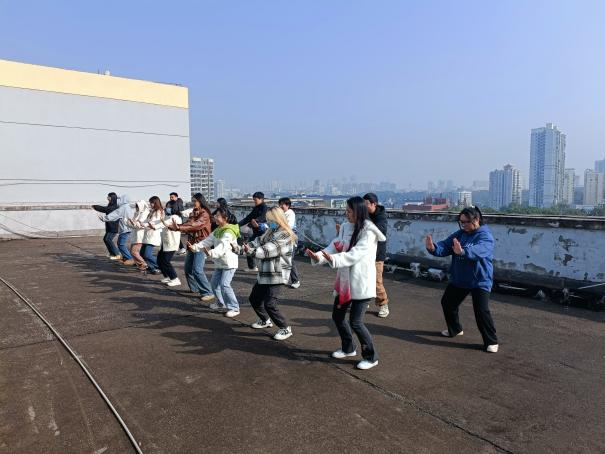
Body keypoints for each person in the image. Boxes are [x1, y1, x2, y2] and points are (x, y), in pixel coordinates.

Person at [307, 196, 385, 370]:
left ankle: (371, 357)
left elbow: (356, 254)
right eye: (346, 211)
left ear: (358, 212)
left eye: (349, 211)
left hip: (361, 283)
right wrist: (318, 256)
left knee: (356, 322)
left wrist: (333, 259)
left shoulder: (368, 231)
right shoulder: (345, 227)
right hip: (344, 281)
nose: (346, 214)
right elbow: (334, 246)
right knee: (338, 317)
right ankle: (348, 348)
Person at [425, 206, 499, 353]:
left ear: (476, 220)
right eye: (461, 222)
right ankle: (455, 329)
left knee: (481, 310)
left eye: (466, 222)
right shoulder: (460, 234)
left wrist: (464, 251)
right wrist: (433, 248)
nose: (463, 225)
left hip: (480, 280)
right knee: (448, 303)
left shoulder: (485, 236)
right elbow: (445, 246)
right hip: (460, 278)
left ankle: (491, 341)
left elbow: (480, 250)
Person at [239, 207, 296, 341]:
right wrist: (240, 248)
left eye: (271, 220)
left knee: (270, 304)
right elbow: (256, 242)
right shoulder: (270, 231)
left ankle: (285, 328)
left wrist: (251, 251)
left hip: (278, 274)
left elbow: (269, 249)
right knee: (254, 298)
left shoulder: (285, 235)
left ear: (278, 219)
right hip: (265, 272)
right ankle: (265, 320)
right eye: (268, 220)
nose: (269, 222)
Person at [190, 207, 241, 317]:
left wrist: (211, 253)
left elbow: (223, 246)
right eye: (215, 215)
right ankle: (221, 303)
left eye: (217, 216)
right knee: (214, 284)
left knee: (224, 285)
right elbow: (208, 241)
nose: (215, 217)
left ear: (225, 218)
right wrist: (195, 247)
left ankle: (234, 308)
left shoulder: (229, 231)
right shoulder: (219, 229)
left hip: (229, 263)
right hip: (220, 262)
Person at [168, 193, 215, 302]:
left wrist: (179, 228)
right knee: (188, 269)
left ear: (200, 201)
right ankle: (195, 288)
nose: (193, 203)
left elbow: (195, 225)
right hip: (192, 243)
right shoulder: (193, 212)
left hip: (201, 243)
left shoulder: (204, 214)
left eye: (195, 201)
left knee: (197, 270)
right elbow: (189, 224)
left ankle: (208, 292)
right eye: (192, 201)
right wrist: (177, 227)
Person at [363, 193, 389, 318]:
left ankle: (383, 305)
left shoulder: (381, 216)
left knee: (376, 281)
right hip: (365, 252)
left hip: (377, 254)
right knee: (363, 279)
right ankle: (363, 302)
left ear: (374, 204)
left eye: (367, 204)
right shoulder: (365, 214)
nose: (364, 206)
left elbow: (378, 231)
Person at [99, 194, 135, 265]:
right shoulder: (127, 207)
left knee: (121, 244)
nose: (117, 201)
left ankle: (129, 258)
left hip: (125, 229)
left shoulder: (123, 208)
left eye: (119, 199)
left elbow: (115, 214)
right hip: (128, 228)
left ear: (122, 200)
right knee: (120, 243)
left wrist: (104, 218)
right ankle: (126, 257)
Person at [238, 192, 268, 271]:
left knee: (261, 250)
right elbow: (248, 218)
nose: (254, 201)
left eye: (255, 200)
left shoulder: (264, 207)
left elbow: (263, 217)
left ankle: (261, 267)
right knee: (248, 247)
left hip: (263, 232)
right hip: (256, 232)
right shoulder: (256, 208)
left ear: (261, 199)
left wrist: (255, 221)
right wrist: (237, 225)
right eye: (253, 200)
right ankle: (252, 267)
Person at [279, 197, 301, 288]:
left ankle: (296, 281)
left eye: (282, 205)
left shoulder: (290, 213)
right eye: (279, 204)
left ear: (287, 205)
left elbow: (288, 226)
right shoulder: (280, 214)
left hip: (291, 239)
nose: (280, 206)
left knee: (289, 259)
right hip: (283, 239)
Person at [158, 206, 183, 287]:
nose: (167, 209)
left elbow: (163, 223)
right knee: (159, 259)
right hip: (166, 242)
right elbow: (161, 222)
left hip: (171, 243)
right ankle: (167, 276)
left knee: (165, 260)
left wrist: (154, 225)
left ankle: (175, 279)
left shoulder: (175, 217)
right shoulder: (168, 216)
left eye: (169, 207)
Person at [92, 192, 121, 260]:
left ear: (112, 198)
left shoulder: (114, 207)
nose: (107, 198)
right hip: (109, 226)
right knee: (106, 239)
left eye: (109, 197)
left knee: (108, 239)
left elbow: (105, 209)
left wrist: (95, 206)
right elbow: (105, 209)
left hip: (113, 227)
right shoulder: (111, 205)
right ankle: (112, 253)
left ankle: (117, 254)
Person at [140, 196, 164, 274]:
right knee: (142, 254)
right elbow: (147, 221)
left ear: (156, 203)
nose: (151, 204)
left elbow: (155, 222)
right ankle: (152, 267)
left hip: (153, 235)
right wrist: (141, 223)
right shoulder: (152, 211)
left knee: (147, 254)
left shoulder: (160, 211)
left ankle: (161, 265)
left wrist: (145, 224)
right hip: (147, 235)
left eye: (152, 203)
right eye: (150, 203)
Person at [128, 200, 150, 270]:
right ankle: (140, 265)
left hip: (140, 235)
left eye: (138, 206)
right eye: (136, 206)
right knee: (132, 251)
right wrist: (131, 223)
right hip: (135, 234)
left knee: (134, 252)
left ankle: (144, 264)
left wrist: (133, 223)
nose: (136, 208)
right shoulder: (137, 213)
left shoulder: (145, 213)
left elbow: (141, 225)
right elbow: (134, 223)